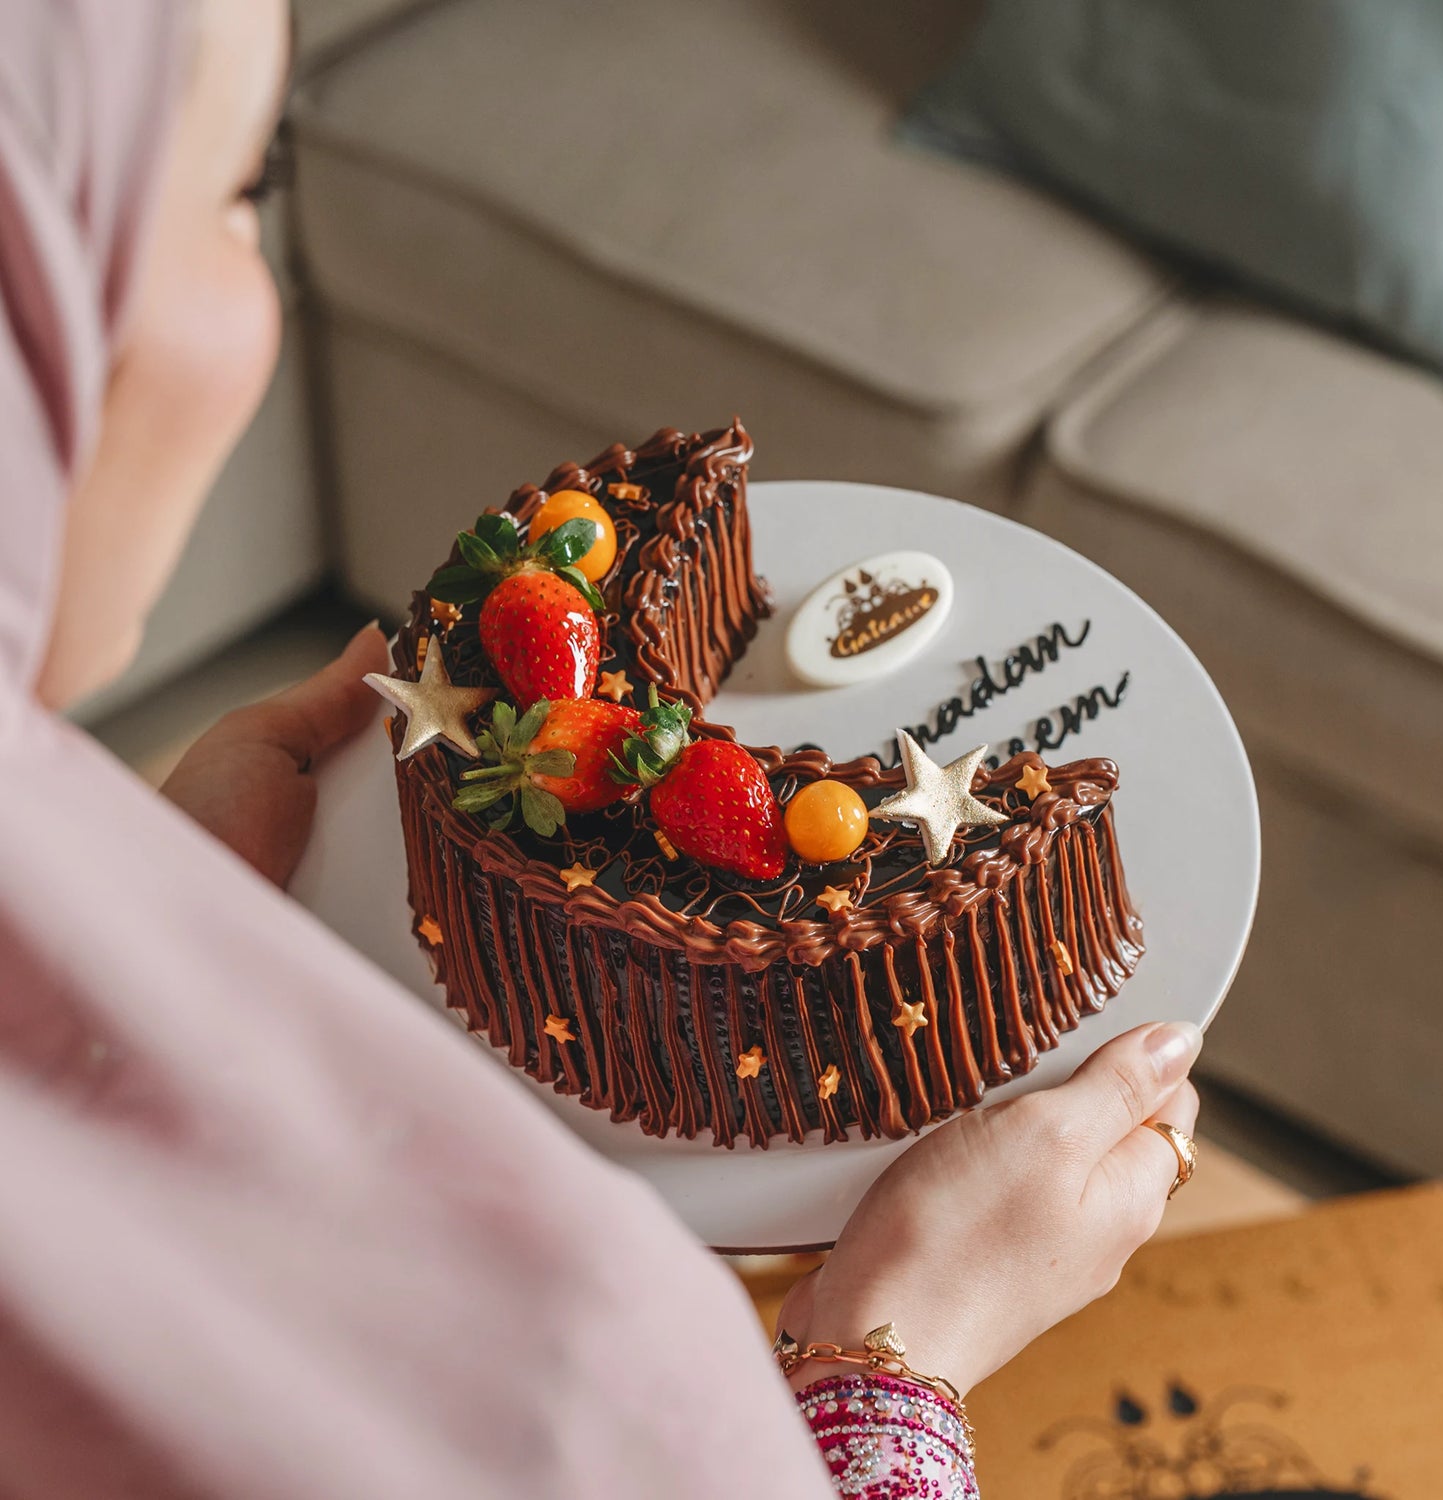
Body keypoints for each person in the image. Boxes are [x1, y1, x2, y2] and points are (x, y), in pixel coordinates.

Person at [0, 3, 1201, 1495]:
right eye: (239, 192)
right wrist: (892, 1355)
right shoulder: (579, 1367)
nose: (262, 294)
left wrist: (171, 904)